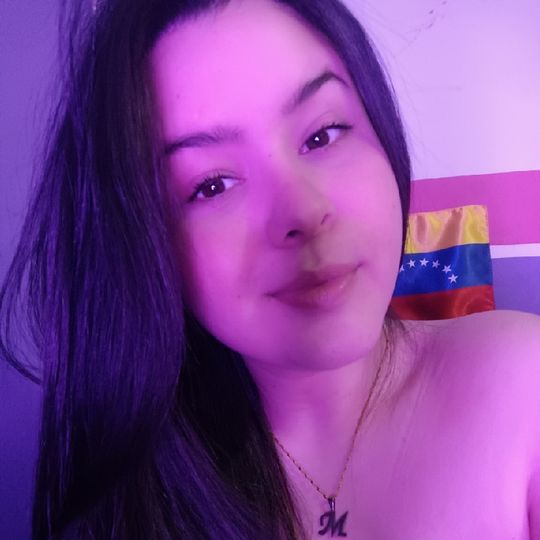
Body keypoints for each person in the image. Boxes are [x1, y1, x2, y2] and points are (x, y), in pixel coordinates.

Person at [1, 0, 540, 538]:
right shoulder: (133, 492)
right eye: (212, 185)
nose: (302, 211)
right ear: (144, 244)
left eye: (323, 135)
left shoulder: (522, 391)